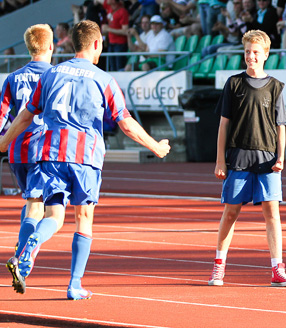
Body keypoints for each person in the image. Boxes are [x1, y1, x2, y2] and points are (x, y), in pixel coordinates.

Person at [0, 20, 170, 299]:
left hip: (49, 153)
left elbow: (27, 113)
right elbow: (125, 123)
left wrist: (5, 141)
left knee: (53, 213)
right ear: (95, 44)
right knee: (83, 218)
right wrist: (154, 146)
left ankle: (31, 243)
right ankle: (74, 285)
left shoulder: (52, 74)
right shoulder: (104, 79)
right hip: (85, 156)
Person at [208, 30, 286, 288]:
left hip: (268, 157)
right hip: (238, 156)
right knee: (231, 212)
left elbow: (281, 125)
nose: (251, 56)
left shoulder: (275, 86)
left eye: (256, 52)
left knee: (272, 213)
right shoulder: (233, 84)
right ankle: (218, 266)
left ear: (266, 54)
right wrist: (220, 160)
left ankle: (277, 269)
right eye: (247, 51)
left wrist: (281, 156)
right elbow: (223, 125)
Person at [0, 24, 53, 278]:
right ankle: (22, 260)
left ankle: (21, 249)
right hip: (43, 148)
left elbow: (2, 115)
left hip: (16, 150)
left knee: (30, 202)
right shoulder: (56, 75)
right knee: (37, 206)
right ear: (51, 46)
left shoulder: (13, 77)